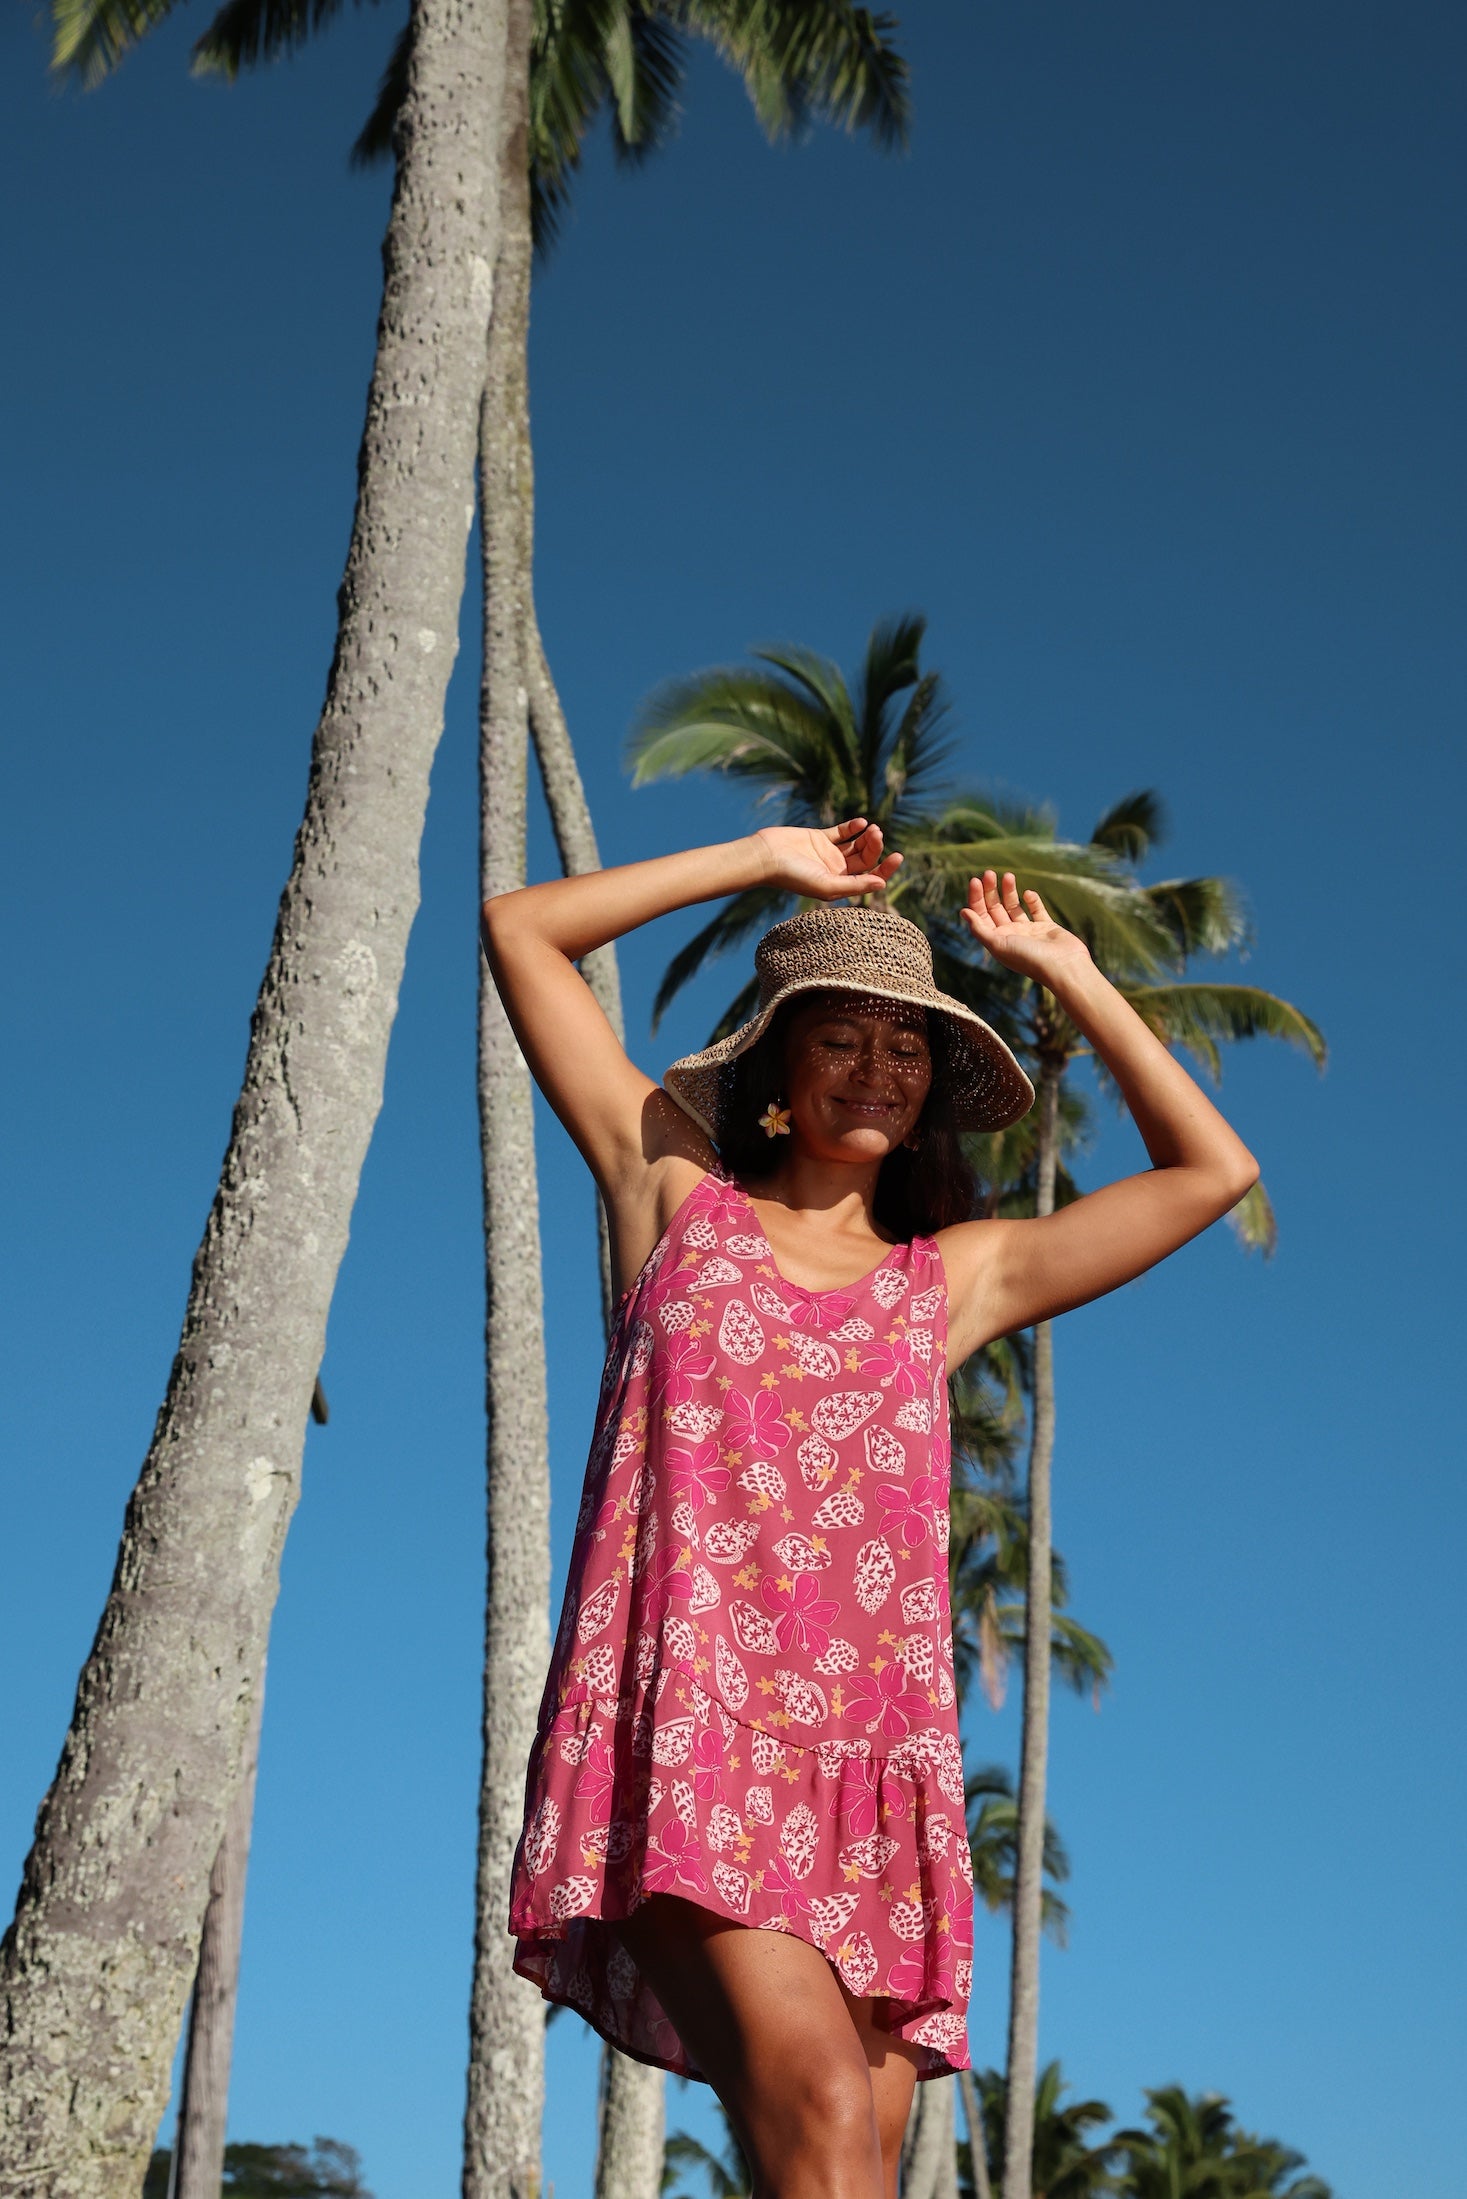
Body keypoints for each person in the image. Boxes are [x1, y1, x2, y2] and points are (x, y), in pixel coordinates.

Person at [482, 819, 1257, 2199]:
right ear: (778, 1059)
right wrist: (763, 860)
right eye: (843, 1037)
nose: (880, 1070)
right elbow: (522, 929)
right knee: (830, 2120)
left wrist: (1069, 967)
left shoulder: (946, 1282)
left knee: (844, 2170)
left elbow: (1212, 1172)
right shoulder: (672, 1195)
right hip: (692, 1748)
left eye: (909, 1052)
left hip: (874, 1788)